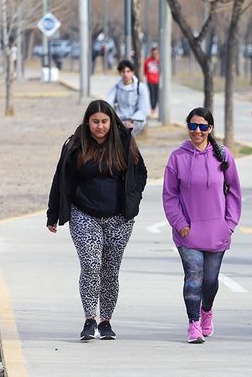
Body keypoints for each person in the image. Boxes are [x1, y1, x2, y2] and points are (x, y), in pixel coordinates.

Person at [46, 99, 148, 341]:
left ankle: (106, 322)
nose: (100, 127)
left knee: (110, 271)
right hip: (84, 214)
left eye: (104, 122)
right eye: (95, 122)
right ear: (87, 122)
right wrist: (53, 213)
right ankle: (89, 319)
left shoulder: (124, 142)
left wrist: (133, 200)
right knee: (91, 266)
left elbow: (141, 173)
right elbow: (60, 180)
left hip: (119, 219)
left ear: (111, 122)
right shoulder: (75, 145)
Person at [162, 107, 242, 343]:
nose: (198, 131)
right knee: (194, 277)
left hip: (217, 231)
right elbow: (169, 195)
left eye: (203, 126)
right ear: (187, 127)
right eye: (193, 126)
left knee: (210, 280)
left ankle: (207, 311)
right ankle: (193, 324)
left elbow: (235, 192)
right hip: (188, 231)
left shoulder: (223, 156)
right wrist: (179, 223)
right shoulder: (177, 157)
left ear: (210, 128)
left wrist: (229, 223)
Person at [105, 59, 151, 136]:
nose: (125, 74)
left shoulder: (140, 87)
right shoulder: (117, 87)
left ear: (132, 72)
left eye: (128, 71)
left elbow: (143, 108)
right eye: (123, 72)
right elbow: (108, 102)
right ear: (120, 73)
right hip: (120, 120)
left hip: (136, 121)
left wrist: (132, 120)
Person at [143, 45, 160, 114]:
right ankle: (153, 109)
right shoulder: (147, 61)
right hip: (150, 80)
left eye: (156, 52)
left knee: (157, 95)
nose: (154, 54)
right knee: (152, 94)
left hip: (158, 80)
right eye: (153, 52)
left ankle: (155, 107)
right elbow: (145, 70)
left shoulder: (159, 61)